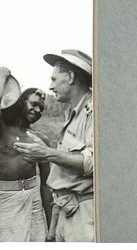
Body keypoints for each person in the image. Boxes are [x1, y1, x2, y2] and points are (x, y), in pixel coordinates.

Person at [13, 50, 93, 242]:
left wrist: (48, 154)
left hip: (83, 214)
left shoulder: (94, 110)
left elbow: (94, 163)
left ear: (71, 76)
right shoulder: (73, 113)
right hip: (66, 209)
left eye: (54, 79)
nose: (50, 86)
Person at [0, 67, 48, 242]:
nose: (38, 110)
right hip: (5, 197)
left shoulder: (39, 139)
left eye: (41, 108)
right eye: (33, 104)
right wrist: (2, 76)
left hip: (34, 198)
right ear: (20, 101)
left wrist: (50, 223)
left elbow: (46, 185)